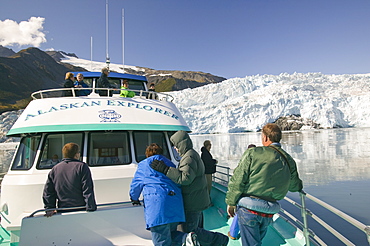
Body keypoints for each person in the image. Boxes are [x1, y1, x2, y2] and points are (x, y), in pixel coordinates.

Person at [226, 123, 303, 246]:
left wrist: (231, 202)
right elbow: (295, 186)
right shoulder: (288, 160)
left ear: (266, 138)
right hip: (268, 212)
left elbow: (238, 179)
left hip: (249, 208)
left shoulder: (253, 153)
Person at [150, 130, 229, 246]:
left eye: (176, 146)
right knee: (193, 231)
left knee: (191, 232)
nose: (175, 149)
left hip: (193, 202)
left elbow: (185, 178)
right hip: (195, 199)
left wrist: (165, 170)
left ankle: (219, 240)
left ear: (182, 144)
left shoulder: (189, 157)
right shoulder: (190, 155)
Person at [130, 143, 200, 246]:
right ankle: (186, 238)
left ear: (147, 154)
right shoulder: (170, 164)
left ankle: (186, 239)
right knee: (171, 236)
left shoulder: (144, 165)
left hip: (157, 207)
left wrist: (134, 198)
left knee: (160, 241)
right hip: (175, 205)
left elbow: (136, 186)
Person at [43, 143, 97, 217]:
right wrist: (91, 207)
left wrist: (49, 208)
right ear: (76, 154)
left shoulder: (55, 169)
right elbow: (87, 189)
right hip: (80, 209)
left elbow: (48, 192)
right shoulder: (82, 167)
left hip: (62, 210)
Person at [228, 144, 256, 241]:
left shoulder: (244, 162)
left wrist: (231, 200)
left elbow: (237, 178)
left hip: (243, 194)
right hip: (254, 195)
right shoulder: (259, 164)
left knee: (239, 213)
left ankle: (233, 233)